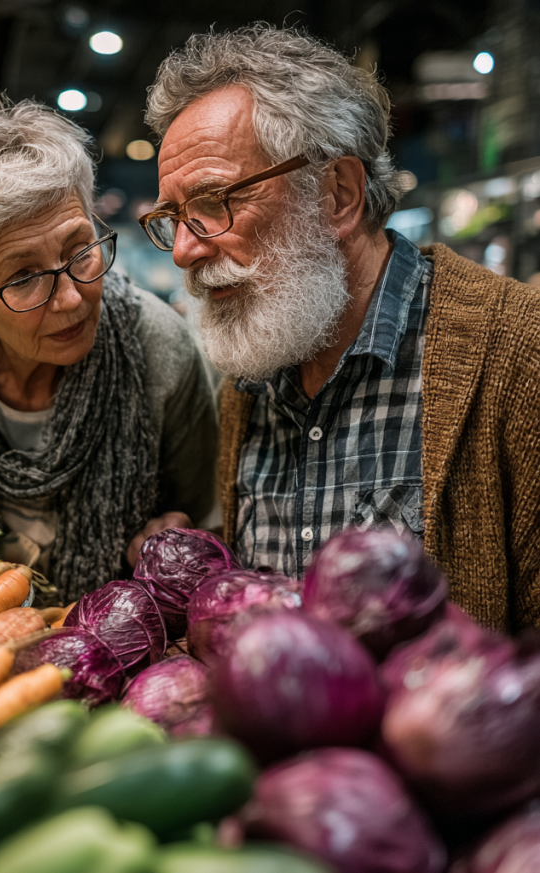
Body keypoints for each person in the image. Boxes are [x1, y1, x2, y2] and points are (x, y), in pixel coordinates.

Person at [138, 25, 540, 633]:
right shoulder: (251, 373)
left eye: (215, 202)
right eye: (174, 217)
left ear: (338, 195)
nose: (184, 251)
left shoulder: (517, 354)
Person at [0, 93, 217, 602]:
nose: (73, 297)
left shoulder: (160, 349)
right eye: (24, 276)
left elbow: (200, 515)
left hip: (116, 641)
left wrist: (175, 536)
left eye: (80, 249)